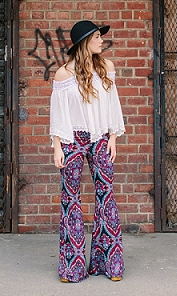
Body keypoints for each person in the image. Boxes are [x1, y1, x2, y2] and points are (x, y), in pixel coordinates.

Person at [49, 20, 125, 283]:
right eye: (97, 37)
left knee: (106, 195)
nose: (102, 40)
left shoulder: (106, 68)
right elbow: (57, 114)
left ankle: (110, 264)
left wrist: (113, 137)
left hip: (100, 137)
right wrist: (56, 146)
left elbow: (113, 104)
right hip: (72, 139)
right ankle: (72, 268)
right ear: (85, 42)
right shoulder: (63, 75)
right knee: (71, 200)